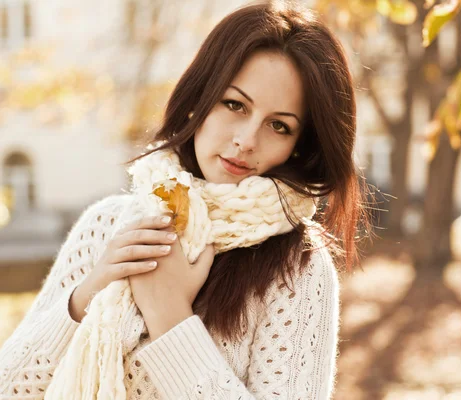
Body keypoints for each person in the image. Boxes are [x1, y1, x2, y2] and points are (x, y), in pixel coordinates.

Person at [0, 1, 369, 399]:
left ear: (299, 147)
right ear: (200, 98)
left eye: (279, 125)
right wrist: (88, 293)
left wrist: (170, 316)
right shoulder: (106, 227)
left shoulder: (298, 269)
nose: (246, 140)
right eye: (234, 104)